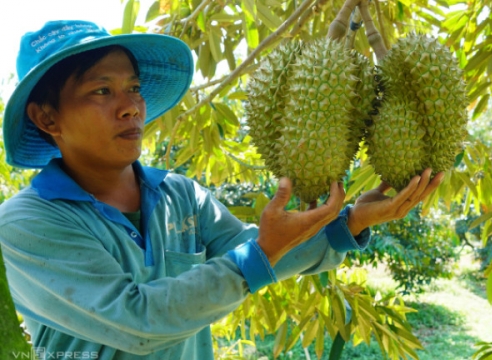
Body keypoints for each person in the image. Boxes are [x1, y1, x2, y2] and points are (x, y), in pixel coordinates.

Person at [0, 20, 444, 360]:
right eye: (102, 90)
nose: (131, 107)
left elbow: (264, 251)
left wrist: (352, 221)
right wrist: (260, 254)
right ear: (47, 119)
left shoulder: (180, 196)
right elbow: (138, 322)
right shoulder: (27, 223)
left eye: (134, 89)